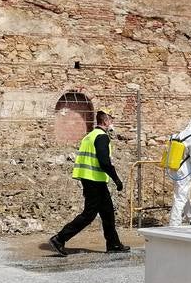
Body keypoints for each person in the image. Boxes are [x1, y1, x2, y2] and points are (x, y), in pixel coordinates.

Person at [49, 108, 130, 255]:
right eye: (111, 119)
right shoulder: (101, 137)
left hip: (89, 179)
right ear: (105, 121)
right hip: (95, 180)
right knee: (88, 215)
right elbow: (104, 162)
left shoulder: (89, 136)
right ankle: (59, 239)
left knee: (107, 213)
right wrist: (116, 179)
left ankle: (114, 244)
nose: (112, 123)